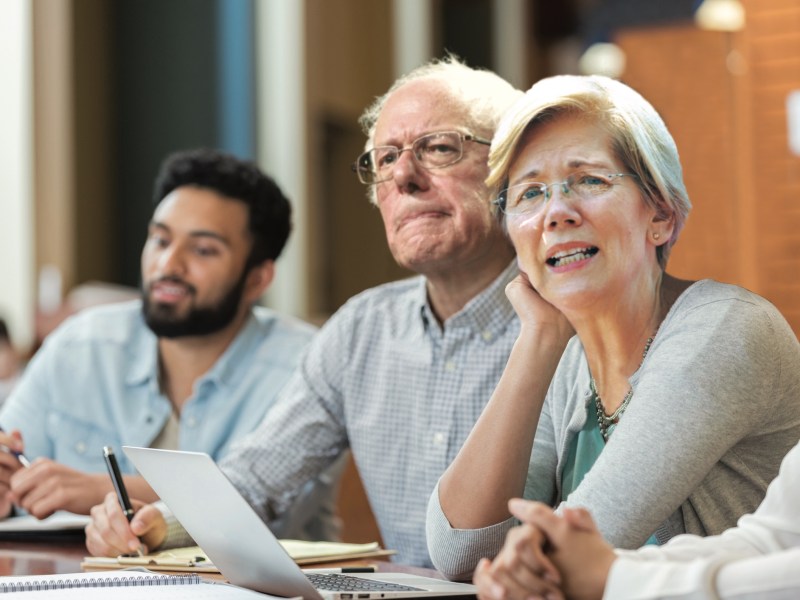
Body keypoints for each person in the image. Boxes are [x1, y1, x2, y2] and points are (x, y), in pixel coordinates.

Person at [84, 56, 523, 568]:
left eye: (440, 148)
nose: (404, 175)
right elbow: (257, 479)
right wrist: (157, 523)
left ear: (510, 169)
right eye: (384, 159)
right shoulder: (360, 330)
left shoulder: (567, 323)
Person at [426, 74, 800, 580]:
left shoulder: (726, 331)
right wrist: (536, 342)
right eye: (529, 193)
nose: (556, 213)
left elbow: (569, 557)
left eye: (590, 180)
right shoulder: (568, 358)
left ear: (660, 217)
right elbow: (459, 552)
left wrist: (522, 567)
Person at [0, 149, 333, 539]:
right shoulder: (81, 346)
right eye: (160, 240)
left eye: (203, 250)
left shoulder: (306, 365)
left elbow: (263, 501)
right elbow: (12, 467)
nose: (168, 265)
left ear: (257, 280)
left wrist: (102, 490)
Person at [474, 437, 800, 600]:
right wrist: (563, 565)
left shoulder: (727, 326)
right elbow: (769, 541)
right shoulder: (571, 357)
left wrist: (612, 578)